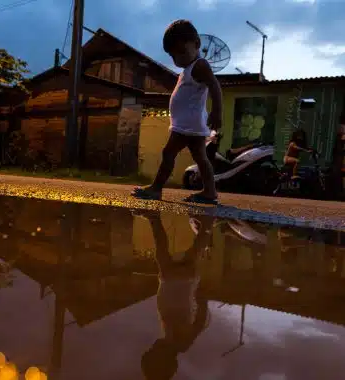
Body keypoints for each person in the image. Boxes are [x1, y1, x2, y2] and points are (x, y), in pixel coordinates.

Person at [132, 20, 223, 204]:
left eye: (182, 52)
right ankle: (209, 192)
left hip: (187, 125)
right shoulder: (189, 68)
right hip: (190, 123)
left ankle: (156, 189)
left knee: (169, 153)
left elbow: (215, 86)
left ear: (197, 44)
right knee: (200, 157)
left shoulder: (200, 65)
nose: (179, 59)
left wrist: (217, 112)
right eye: (174, 56)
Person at [137, 211, 212, 379]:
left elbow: (199, 322)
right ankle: (155, 219)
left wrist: (201, 298)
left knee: (192, 254)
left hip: (182, 285)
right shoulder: (179, 342)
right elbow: (199, 323)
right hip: (175, 285)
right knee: (163, 253)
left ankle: (207, 226)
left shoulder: (177, 343)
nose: (153, 346)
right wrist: (202, 299)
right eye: (153, 352)